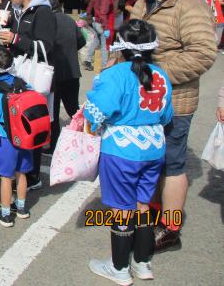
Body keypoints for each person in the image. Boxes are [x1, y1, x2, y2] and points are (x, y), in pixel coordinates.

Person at [130, 0, 217, 252]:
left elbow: (203, 53)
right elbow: (129, 40)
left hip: (174, 103)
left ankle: (170, 230)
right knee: (149, 162)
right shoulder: (144, 1)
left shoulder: (189, 4)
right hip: (141, 101)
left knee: (172, 164)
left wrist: (155, 73)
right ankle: (152, 216)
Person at [84, 20, 173, 285]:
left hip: (121, 149)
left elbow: (96, 111)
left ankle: (119, 267)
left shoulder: (115, 74)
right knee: (143, 204)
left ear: (120, 46)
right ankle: (142, 263)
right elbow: (167, 116)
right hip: (154, 147)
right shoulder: (161, 74)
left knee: (121, 209)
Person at [0, 0, 56, 190]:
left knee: (33, 120)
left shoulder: (42, 12)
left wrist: (15, 39)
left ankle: (32, 175)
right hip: (20, 73)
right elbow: (12, 39)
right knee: (20, 122)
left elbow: (46, 47)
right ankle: (22, 172)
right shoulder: (18, 10)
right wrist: (4, 27)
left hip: (36, 76)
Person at [0, 47, 33, 227]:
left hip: (5, 138)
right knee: (21, 173)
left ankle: (5, 214)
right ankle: (21, 208)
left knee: (5, 177)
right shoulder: (23, 84)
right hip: (25, 137)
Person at [44, 0, 86, 151]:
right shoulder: (69, 20)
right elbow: (82, 41)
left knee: (52, 113)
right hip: (72, 72)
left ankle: (53, 145)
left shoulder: (46, 22)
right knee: (74, 109)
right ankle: (85, 138)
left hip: (52, 74)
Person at [84, 0, 119, 71]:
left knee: (96, 41)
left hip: (96, 21)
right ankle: (104, 68)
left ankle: (87, 60)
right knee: (105, 45)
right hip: (101, 23)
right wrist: (106, 28)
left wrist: (88, 13)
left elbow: (92, 2)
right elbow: (103, 14)